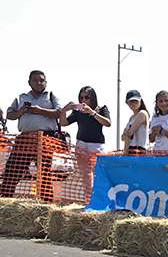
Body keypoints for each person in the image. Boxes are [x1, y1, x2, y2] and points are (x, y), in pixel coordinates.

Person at [1, 70, 63, 203]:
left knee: (44, 172)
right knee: (12, 170)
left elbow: (60, 113)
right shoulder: (21, 97)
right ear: (29, 82)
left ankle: (47, 202)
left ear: (46, 82)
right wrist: (21, 112)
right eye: (35, 80)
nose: (39, 83)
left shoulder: (51, 96)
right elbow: (9, 115)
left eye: (42, 80)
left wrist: (39, 111)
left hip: (44, 139)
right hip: (25, 138)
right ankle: (4, 198)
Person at [59, 86, 111, 153]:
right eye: (81, 98)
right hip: (81, 144)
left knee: (95, 163)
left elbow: (108, 123)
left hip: (96, 144)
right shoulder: (78, 112)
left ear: (92, 98)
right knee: (81, 164)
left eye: (86, 97)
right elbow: (63, 123)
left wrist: (92, 112)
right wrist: (64, 110)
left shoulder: (101, 109)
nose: (83, 100)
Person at [121, 90, 149, 156]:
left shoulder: (142, 113)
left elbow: (129, 133)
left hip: (139, 149)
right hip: (130, 149)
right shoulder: (131, 118)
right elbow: (123, 138)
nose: (134, 104)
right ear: (127, 103)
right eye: (131, 102)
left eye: (136, 101)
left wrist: (126, 133)